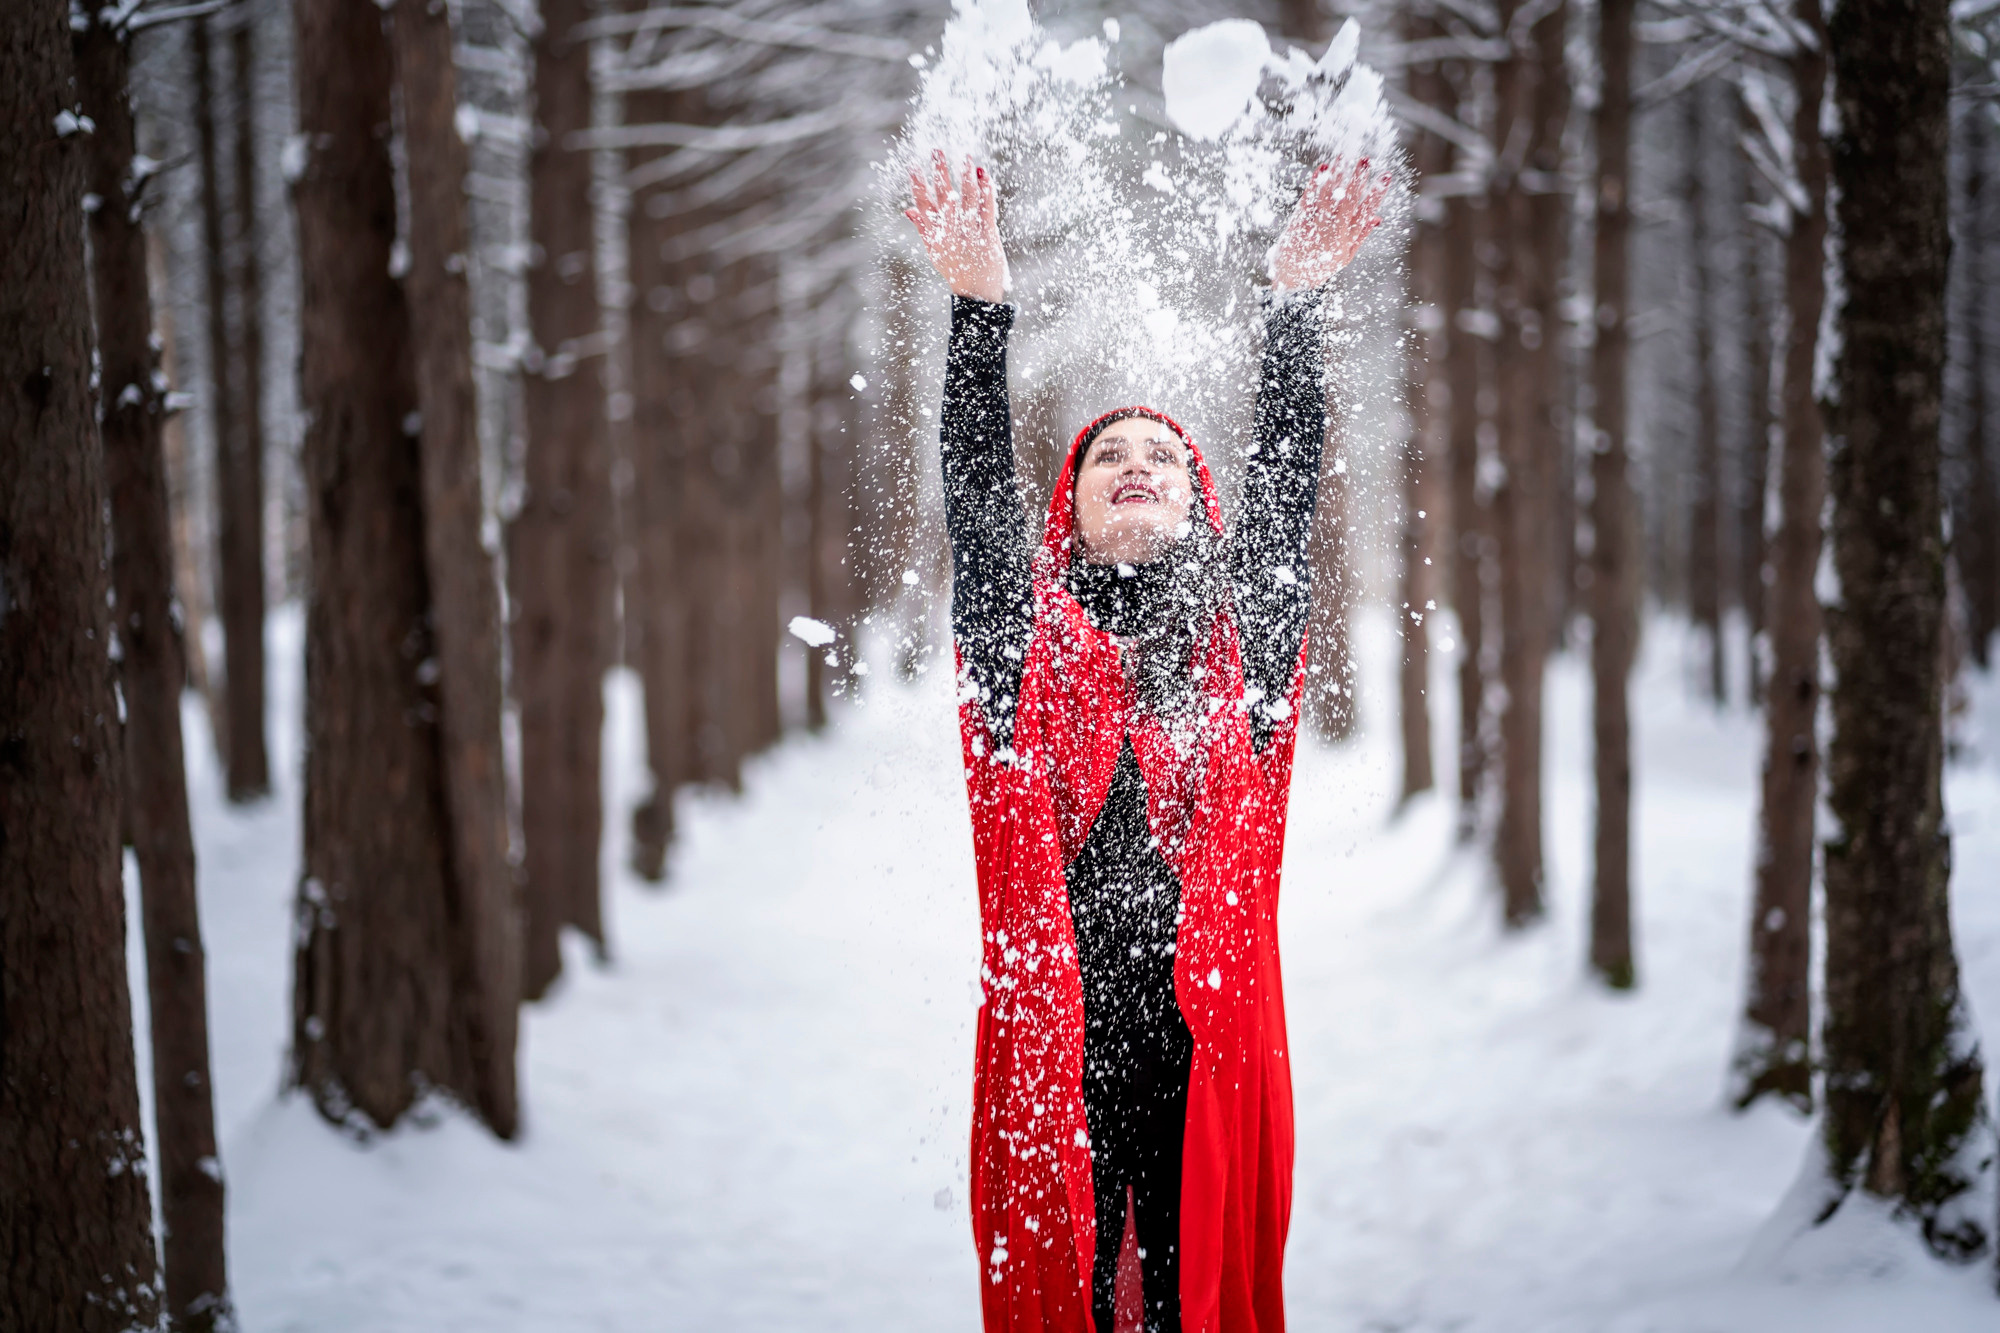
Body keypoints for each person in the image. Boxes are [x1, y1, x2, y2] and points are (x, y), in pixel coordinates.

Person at [906, 150, 1387, 1333]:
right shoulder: (1015, 642)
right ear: (1068, 501)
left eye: (1160, 455)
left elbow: (1285, 484)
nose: (1134, 464)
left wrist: (1294, 300)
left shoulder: (1247, 642)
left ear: (1193, 500)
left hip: (1214, 1063)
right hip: (1046, 1053)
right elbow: (973, 497)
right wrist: (979, 310)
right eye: (1108, 454)